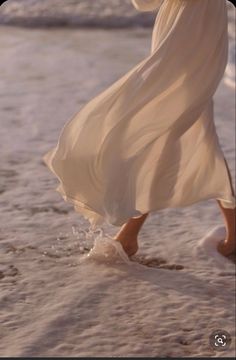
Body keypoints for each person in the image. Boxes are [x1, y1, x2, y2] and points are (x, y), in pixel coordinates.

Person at [44, 0, 236, 259]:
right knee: (193, 132)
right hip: (195, 35)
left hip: (186, 40)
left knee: (158, 130)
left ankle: (130, 234)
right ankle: (231, 233)